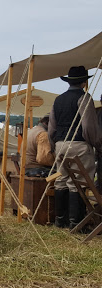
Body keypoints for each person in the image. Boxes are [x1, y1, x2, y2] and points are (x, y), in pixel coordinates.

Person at [48, 66, 102, 229]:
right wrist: (98, 145)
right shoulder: (84, 98)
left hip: (60, 144)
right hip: (78, 143)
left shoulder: (58, 100)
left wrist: (54, 146)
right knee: (78, 182)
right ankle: (76, 223)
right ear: (84, 82)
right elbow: (89, 127)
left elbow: (51, 128)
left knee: (61, 180)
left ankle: (60, 220)